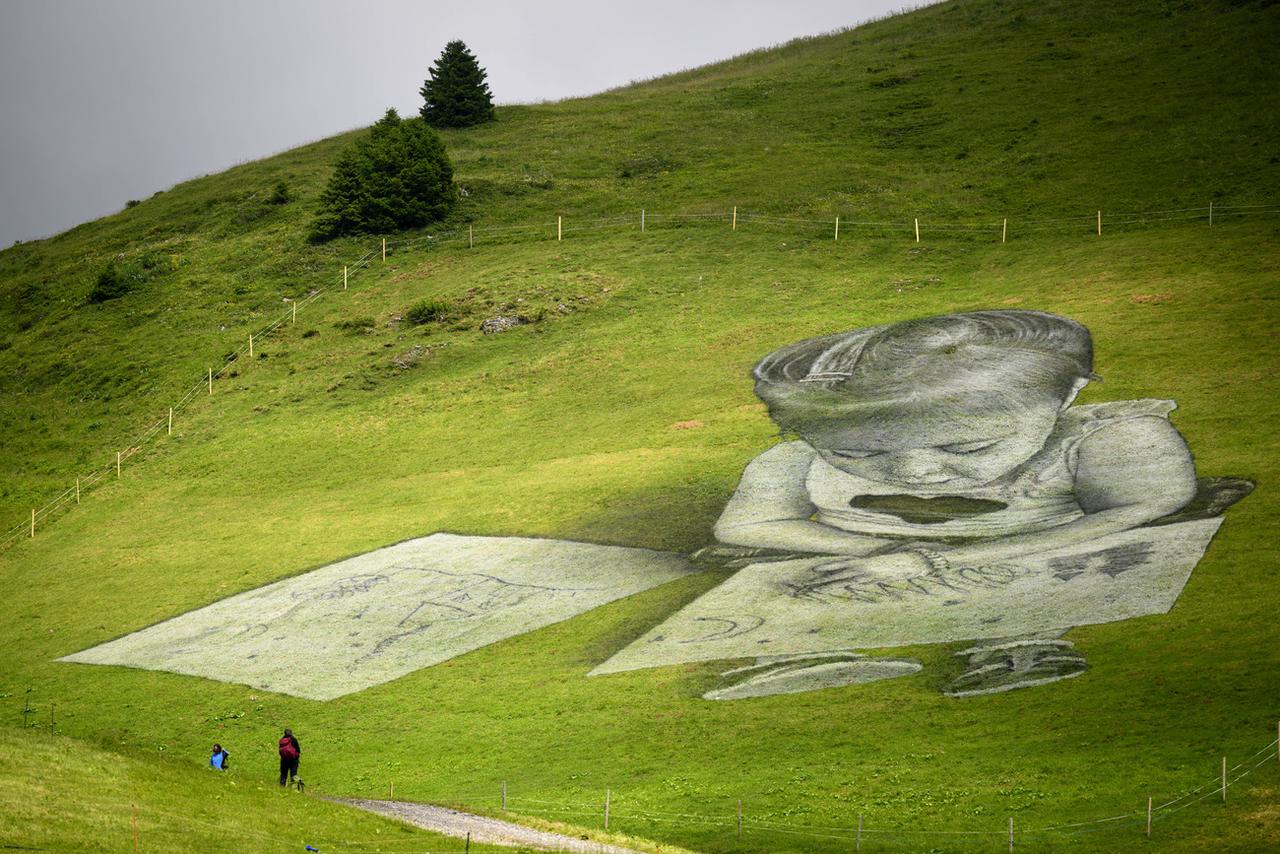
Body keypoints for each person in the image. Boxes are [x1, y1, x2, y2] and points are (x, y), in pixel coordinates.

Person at [707, 309, 1203, 695]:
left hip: (1030, 552)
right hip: (866, 562)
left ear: (1066, 395)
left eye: (967, 447)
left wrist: (939, 561)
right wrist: (879, 555)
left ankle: (1015, 652)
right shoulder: (792, 460)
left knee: (1038, 595)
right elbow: (745, 525)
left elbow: (1143, 507)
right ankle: (804, 652)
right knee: (801, 590)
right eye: (853, 452)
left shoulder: (1113, 439)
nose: (916, 473)